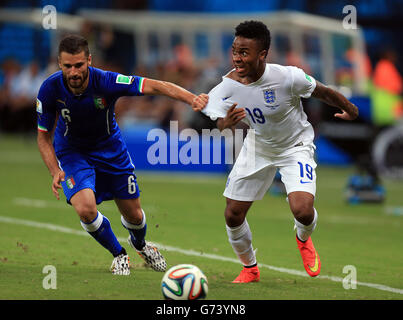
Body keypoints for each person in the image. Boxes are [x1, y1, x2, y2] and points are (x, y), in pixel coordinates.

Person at [36, 34, 208, 275]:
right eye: (67, 66)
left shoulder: (106, 81)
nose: (73, 72)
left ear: (89, 61)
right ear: (59, 63)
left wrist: (192, 98)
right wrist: (55, 170)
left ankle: (140, 244)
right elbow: (43, 136)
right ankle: (119, 254)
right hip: (73, 152)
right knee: (85, 208)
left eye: (78, 65)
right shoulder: (49, 89)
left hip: (110, 150)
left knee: (135, 215)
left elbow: (155, 85)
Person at [202, 21, 358, 283]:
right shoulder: (226, 87)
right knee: (232, 213)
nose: (237, 58)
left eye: (244, 53)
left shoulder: (288, 77)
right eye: (234, 51)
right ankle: (250, 268)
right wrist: (223, 124)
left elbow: (325, 92)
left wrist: (350, 108)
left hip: (294, 146)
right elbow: (216, 119)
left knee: (303, 211)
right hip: (258, 146)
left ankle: (303, 238)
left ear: (262, 54)